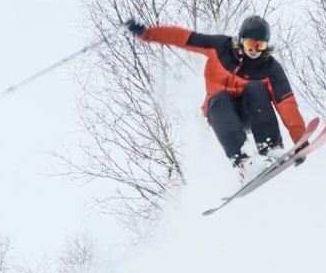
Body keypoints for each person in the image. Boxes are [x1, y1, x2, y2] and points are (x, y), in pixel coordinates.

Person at [123, 15, 307, 182]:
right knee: (219, 99)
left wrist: (300, 140)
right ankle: (244, 163)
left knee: (256, 88)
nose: (254, 51)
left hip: (252, 113)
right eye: (251, 45)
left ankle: (271, 148)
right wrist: (147, 33)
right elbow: (183, 38)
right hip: (222, 114)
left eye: (260, 46)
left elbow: (286, 104)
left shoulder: (270, 68)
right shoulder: (220, 47)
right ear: (241, 41)